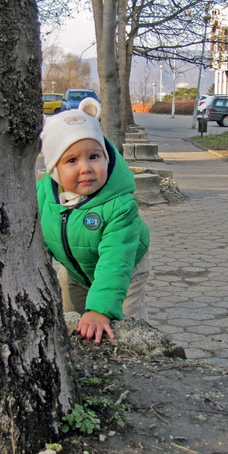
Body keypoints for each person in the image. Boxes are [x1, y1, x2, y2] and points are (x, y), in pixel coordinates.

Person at [37, 98, 150, 345]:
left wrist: (100, 310)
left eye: (94, 156)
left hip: (126, 271)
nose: (86, 168)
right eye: (72, 161)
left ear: (106, 157)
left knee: (123, 325)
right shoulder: (42, 197)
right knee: (69, 319)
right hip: (75, 270)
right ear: (54, 169)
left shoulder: (120, 206)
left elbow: (115, 262)